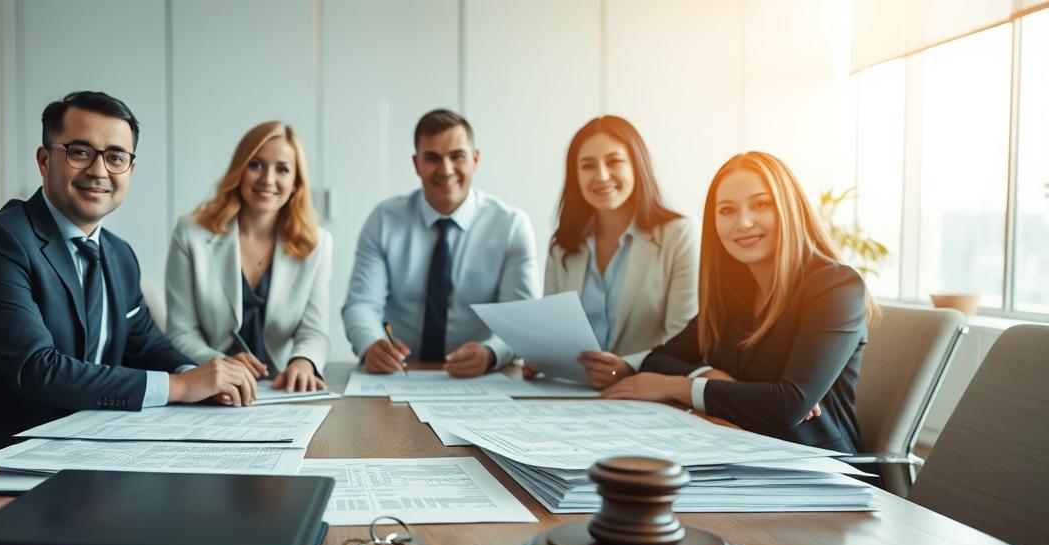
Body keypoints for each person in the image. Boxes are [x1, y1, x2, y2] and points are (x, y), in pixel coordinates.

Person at [0, 91, 258, 483]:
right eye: (80, 152)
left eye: (116, 157)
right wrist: (180, 386)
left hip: (79, 452)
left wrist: (199, 375)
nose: (99, 171)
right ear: (44, 160)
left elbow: (145, 345)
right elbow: (37, 370)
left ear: (130, 170)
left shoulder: (118, 254)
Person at [602, 151, 878, 453]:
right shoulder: (734, 292)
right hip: (738, 446)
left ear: (789, 208)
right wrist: (709, 375)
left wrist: (676, 386)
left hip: (816, 460)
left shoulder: (836, 286)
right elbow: (660, 359)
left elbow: (788, 406)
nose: (743, 222)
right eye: (727, 210)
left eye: (760, 205)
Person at [343, 108, 537, 377]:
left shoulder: (511, 225)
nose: (445, 170)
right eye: (432, 158)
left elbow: (521, 319)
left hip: (484, 378)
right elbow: (362, 304)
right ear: (416, 164)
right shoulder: (384, 220)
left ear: (475, 159)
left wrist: (491, 353)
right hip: (399, 374)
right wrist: (371, 344)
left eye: (457, 156)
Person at [527, 116, 697, 391]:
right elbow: (553, 331)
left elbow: (684, 341)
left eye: (614, 161)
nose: (602, 176)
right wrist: (542, 356)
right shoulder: (562, 246)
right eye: (588, 165)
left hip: (645, 394)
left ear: (637, 166)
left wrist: (628, 366)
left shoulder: (679, 235)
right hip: (572, 391)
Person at [164, 121, 332, 392]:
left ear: (296, 183)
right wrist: (220, 363)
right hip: (212, 386)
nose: (268, 179)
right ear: (239, 170)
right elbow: (181, 332)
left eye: (283, 169)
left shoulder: (317, 243)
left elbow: (314, 330)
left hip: (281, 387)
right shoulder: (190, 234)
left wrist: (303, 362)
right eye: (256, 164)